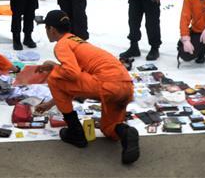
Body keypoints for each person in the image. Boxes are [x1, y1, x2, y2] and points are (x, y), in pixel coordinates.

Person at [34, 10, 140, 165]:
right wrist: (50, 104)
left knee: (54, 77)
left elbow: (72, 75)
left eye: (46, 29)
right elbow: (75, 85)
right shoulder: (77, 41)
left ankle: (75, 133)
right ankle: (126, 132)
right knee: (109, 129)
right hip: (125, 86)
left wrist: (53, 67)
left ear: (52, 29)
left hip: (106, 84)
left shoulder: (62, 44)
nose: (47, 32)